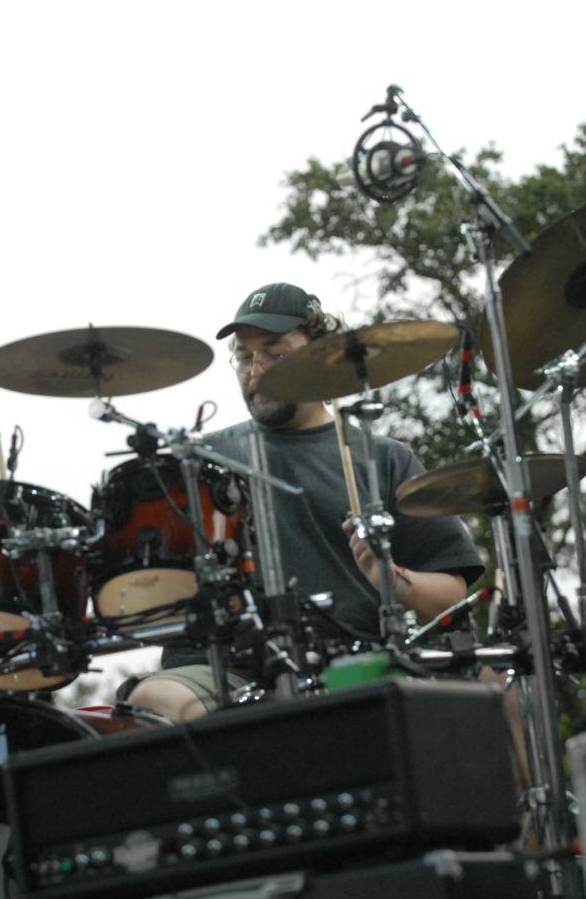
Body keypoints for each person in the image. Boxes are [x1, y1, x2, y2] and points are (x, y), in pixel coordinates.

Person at [126, 282, 484, 721]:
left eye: (275, 354)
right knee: (152, 700)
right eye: (244, 357)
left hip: (353, 667)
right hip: (225, 670)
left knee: (484, 687)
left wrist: (394, 580)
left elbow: (451, 597)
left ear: (321, 356)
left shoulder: (383, 458)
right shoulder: (195, 461)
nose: (256, 370)